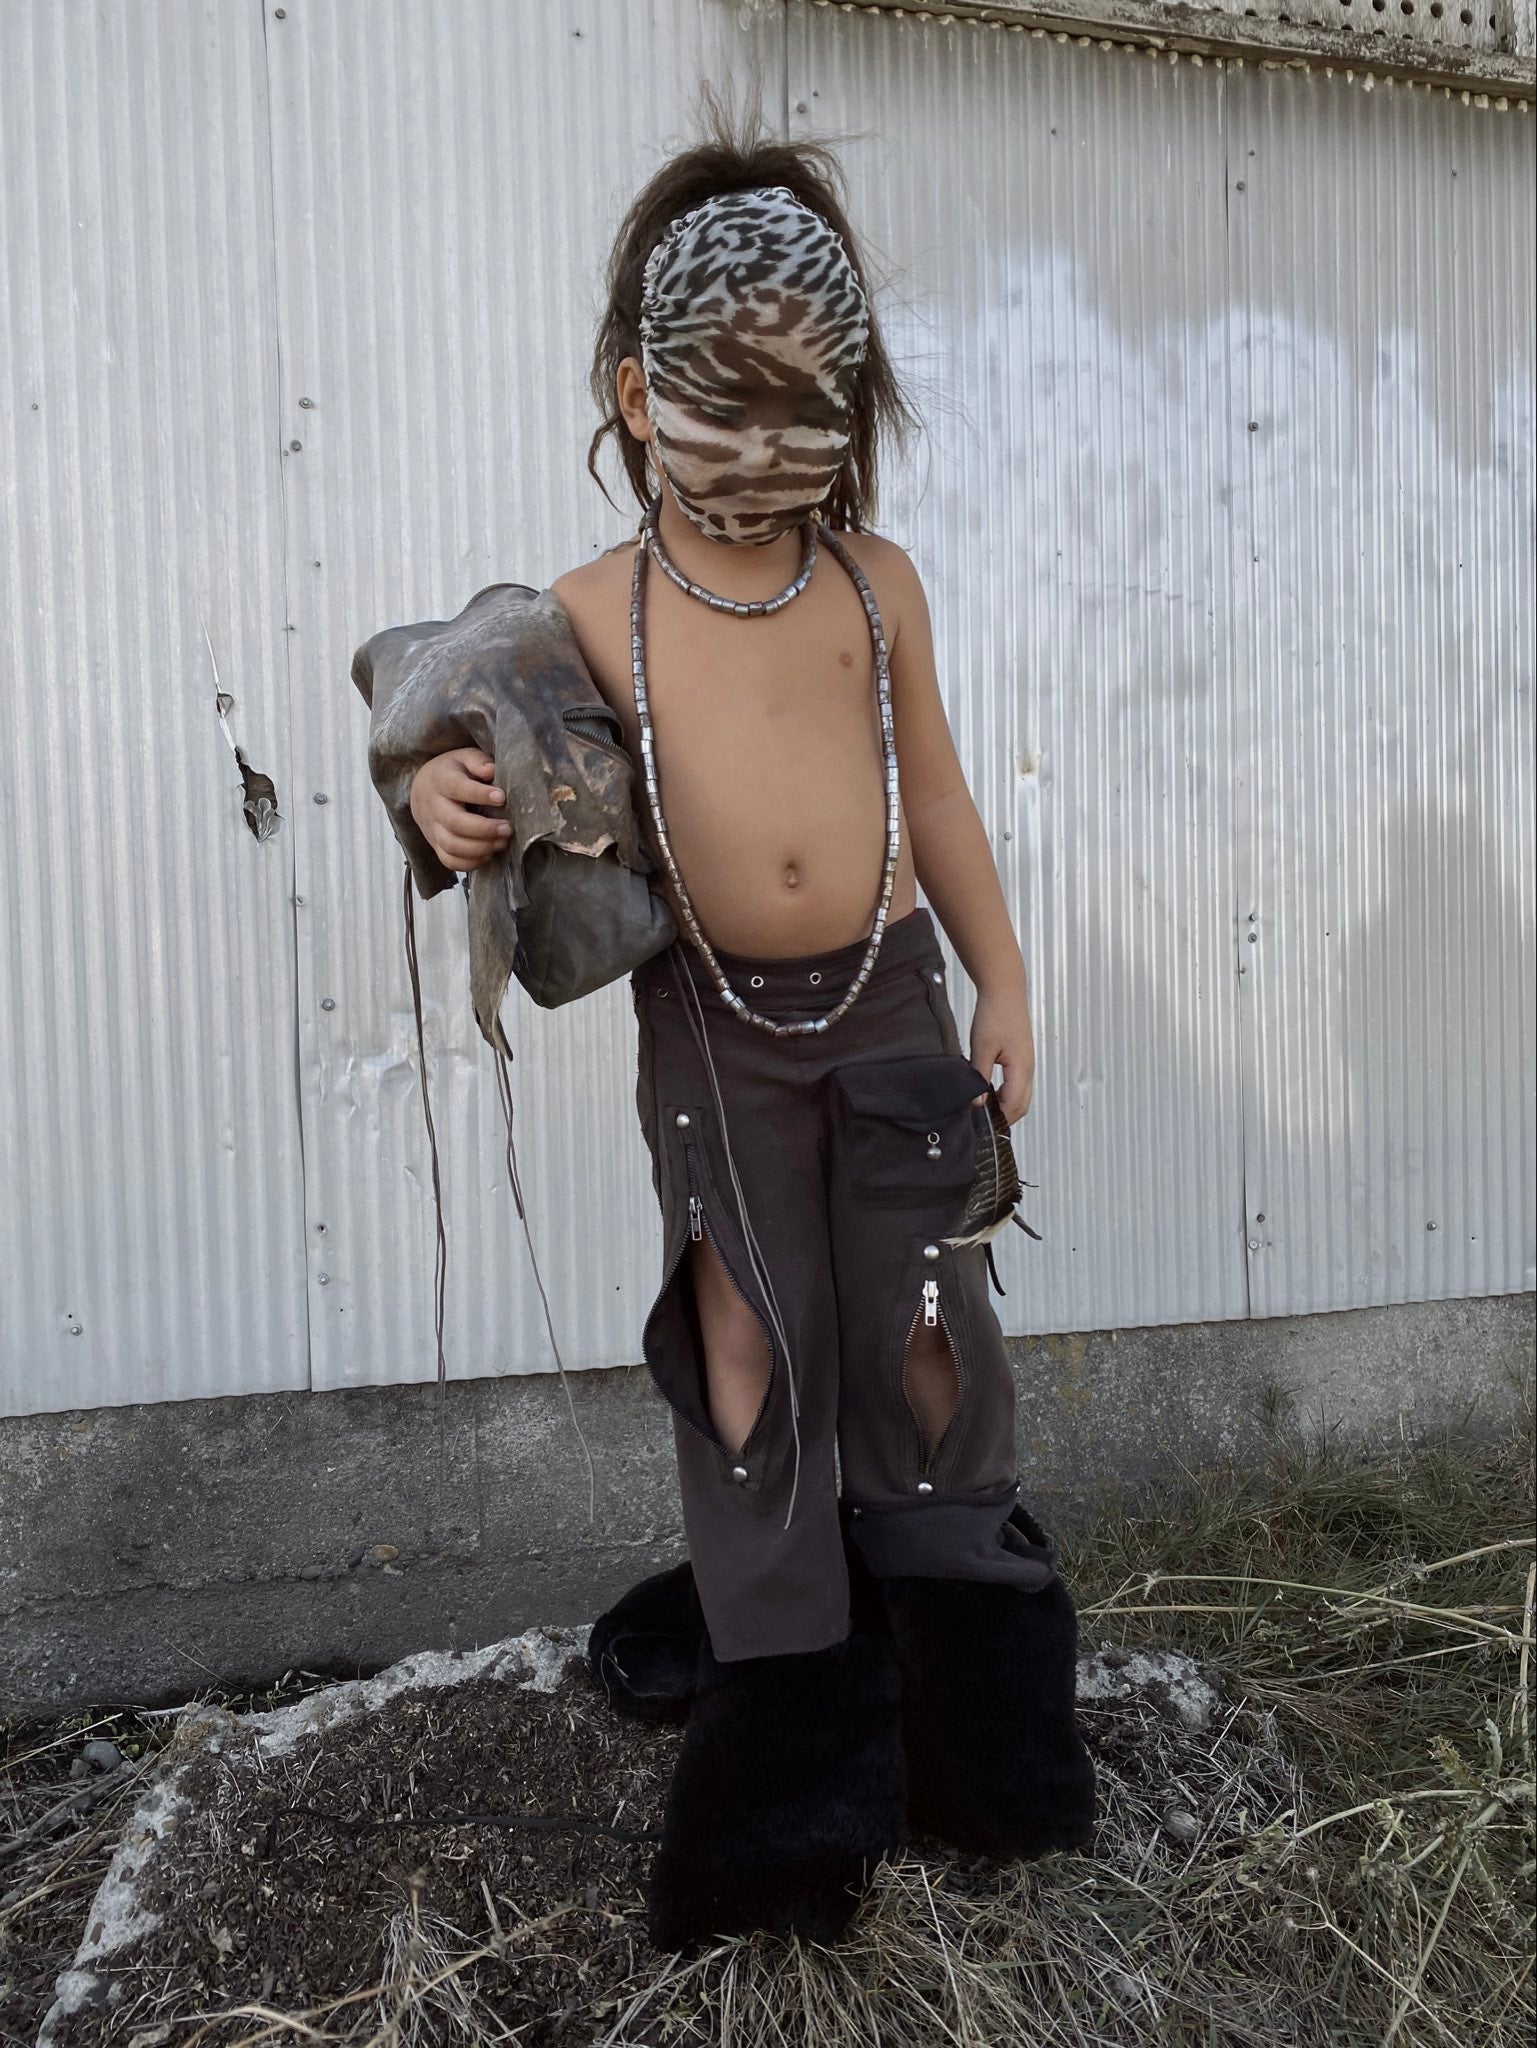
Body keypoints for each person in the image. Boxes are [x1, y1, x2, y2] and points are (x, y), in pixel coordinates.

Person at [406, 98, 1094, 1952]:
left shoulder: (875, 587)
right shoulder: (581, 614)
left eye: (813, 404)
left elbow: (936, 797)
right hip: (711, 1033)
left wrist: (1004, 977)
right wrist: (443, 807)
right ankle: (785, 1783)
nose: (773, 444)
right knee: (745, 1350)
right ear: (640, 395)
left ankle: (979, 1743)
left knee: (926, 1338)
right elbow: (465, 759)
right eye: (732, 399)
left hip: (891, 1006)